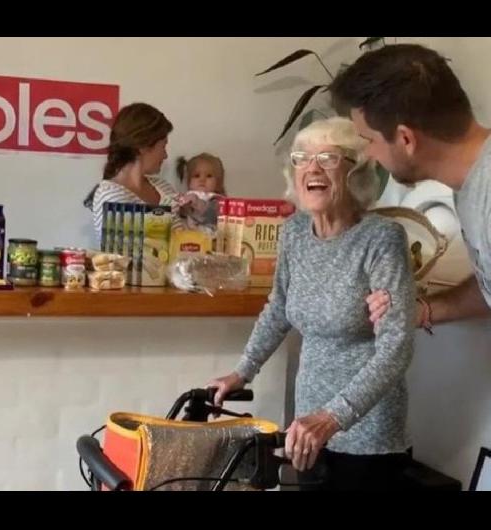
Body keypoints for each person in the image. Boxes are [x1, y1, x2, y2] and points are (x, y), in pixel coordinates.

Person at [207, 117, 416, 490]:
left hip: (367, 435)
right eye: (302, 158)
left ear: (356, 172)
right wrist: (243, 370)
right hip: (307, 428)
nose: (312, 168)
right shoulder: (294, 233)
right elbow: (279, 306)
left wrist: (332, 417)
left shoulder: (381, 239)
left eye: (328, 158)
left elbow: (396, 348)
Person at [329, 43, 491, 330]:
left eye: (369, 140)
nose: (368, 155)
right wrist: (422, 310)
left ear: (406, 139)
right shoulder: (469, 183)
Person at [83, 102, 177, 240]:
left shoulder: (164, 187)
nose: (165, 155)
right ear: (143, 147)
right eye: (163, 147)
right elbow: (128, 252)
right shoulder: (109, 195)